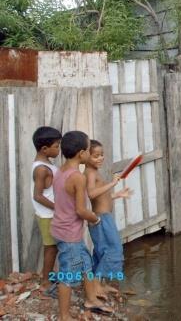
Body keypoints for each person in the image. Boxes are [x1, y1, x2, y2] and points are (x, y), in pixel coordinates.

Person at [51, 131, 113, 319]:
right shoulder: (78, 177)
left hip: (63, 229)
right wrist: (95, 219)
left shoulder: (60, 170)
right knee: (67, 276)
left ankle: (92, 299)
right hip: (69, 234)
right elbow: (80, 210)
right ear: (81, 154)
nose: (89, 153)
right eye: (88, 150)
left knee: (85, 264)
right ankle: (64, 316)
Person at [84, 140, 130, 299]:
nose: (100, 158)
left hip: (104, 218)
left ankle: (100, 284)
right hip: (100, 220)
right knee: (113, 250)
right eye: (95, 156)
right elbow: (91, 194)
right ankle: (96, 285)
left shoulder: (95, 171)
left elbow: (101, 196)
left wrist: (117, 195)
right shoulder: (89, 173)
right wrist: (112, 183)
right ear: (85, 156)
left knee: (102, 252)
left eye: (102, 155)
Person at [31, 126, 62, 295]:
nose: (59, 149)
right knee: (50, 248)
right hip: (48, 214)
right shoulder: (41, 169)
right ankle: (45, 283)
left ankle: (49, 277)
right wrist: (59, 208)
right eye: (56, 146)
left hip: (50, 214)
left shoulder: (46, 164)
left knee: (53, 247)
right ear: (44, 148)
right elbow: (38, 195)